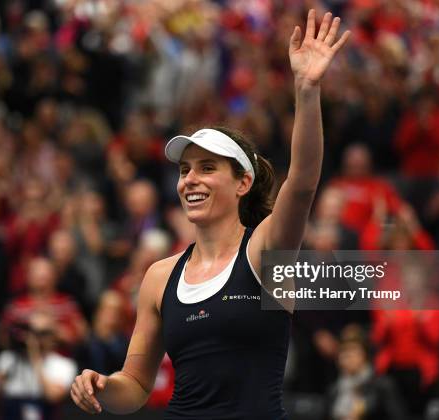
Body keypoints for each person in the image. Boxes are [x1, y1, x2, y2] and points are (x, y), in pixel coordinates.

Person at [71, 10, 350, 419]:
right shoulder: (159, 276)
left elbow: (303, 181)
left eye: (206, 168)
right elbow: (135, 385)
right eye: (184, 170)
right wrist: (102, 386)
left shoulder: (266, 252)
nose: (190, 181)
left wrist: (306, 89)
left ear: (242, 183)